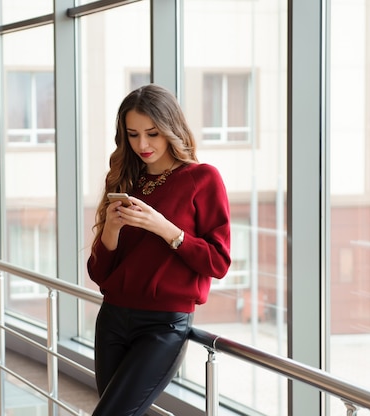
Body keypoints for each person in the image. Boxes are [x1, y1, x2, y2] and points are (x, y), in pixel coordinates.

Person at [87, 84, 231, 415]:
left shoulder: (202, 178)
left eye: (152, 133)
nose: (142, 145)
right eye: (133, 134)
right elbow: (100, 274)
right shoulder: (125, 181)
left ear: (171, 128)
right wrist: (111, 227)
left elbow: (218, 262)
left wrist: (163, 227)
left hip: (162, 326)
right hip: (111, 318)